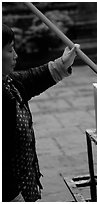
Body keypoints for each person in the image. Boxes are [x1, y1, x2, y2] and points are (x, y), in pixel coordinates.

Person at [2, 24, 79, 202]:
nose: (15, 55)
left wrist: (63, 63)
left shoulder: (9, 83)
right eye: (9, 49)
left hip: (20, 187)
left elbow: (32, 78)